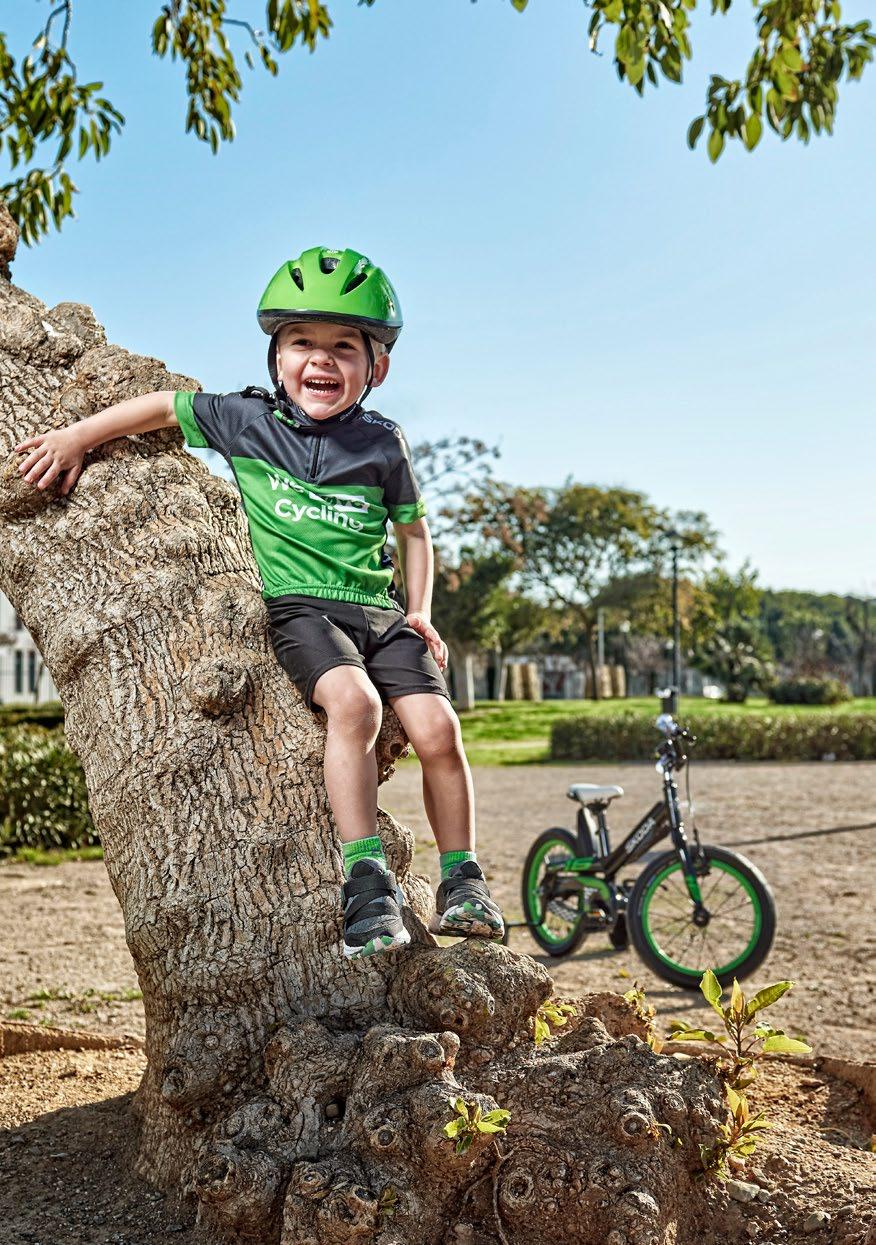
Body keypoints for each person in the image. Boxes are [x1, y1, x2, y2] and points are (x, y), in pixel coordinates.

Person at [14, 245, 505, 959]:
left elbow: (415, 533)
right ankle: (365, 879)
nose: (322, 360)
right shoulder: (250, 422)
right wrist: (76, 437)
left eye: (344, 346)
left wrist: (422, 611)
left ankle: (464, 879)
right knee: (357, 707)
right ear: (278, 357)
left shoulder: (382, 443)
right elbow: (162, 406)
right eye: (303, 342)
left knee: (439, 730)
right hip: (304, 611)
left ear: (378, 368)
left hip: (381, 613)